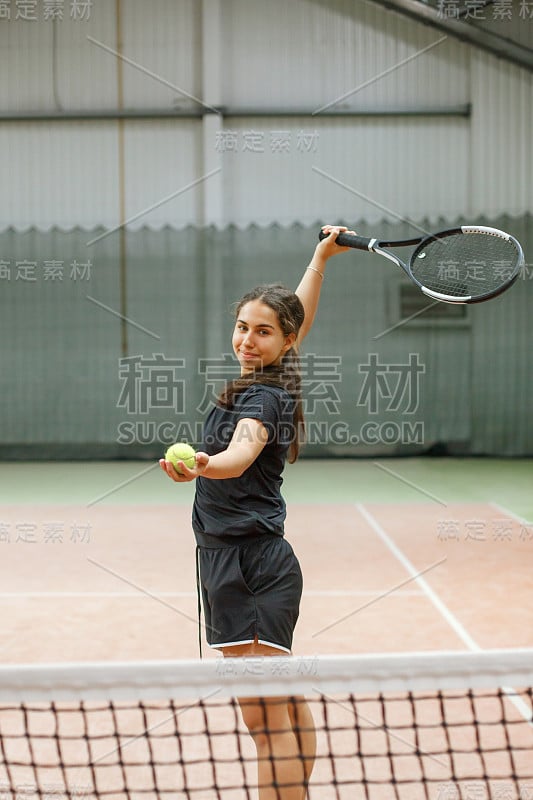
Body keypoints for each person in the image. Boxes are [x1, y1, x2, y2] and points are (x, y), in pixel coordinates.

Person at [159, 225, 353, 800]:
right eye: (243, 326)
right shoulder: (269, 375)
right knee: (283, 708)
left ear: (283, 339)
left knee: (267, 725)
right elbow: (300, 315)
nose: (248, 339)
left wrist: (203, 464)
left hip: (244, 569)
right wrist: (320, 257)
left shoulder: (262, 398)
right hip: (251, 562)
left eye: (262, 331)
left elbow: (241, 454)